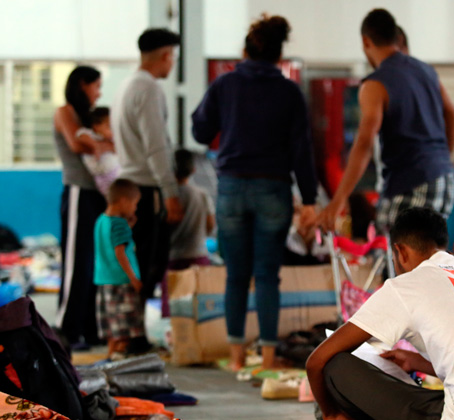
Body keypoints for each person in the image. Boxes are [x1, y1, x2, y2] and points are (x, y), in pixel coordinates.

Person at [307, 207, 454, 420]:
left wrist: (332, 414)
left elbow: (316, 360)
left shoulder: (408, 285)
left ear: (400, 251)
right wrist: (418, 363)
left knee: (335, 366)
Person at [191, 14, 318, 370]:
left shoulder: (225, 84)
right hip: (273, 189)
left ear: (245, 51)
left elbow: (200, 131)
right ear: (279, 55)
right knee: (266, 276)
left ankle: (235, 359)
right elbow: (302, 150)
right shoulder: (290, 92)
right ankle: (267, 358)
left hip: (231, 187)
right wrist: (309, 200)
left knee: (235, 275)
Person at [318, 9, 454, 233]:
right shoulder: (427, 72)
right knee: (423, 252)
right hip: (445, 182)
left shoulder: (375, 84)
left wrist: (338, 200)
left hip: (411, 182)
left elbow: (364, 144)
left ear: (366, 42)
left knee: (393, 249)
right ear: (397, 37)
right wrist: (441, 161)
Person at [112, 28, 183, 305]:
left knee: (134, 263)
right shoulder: (149, 89)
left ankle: (131, 323)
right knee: (148, 264)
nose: (172, 63)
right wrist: (170, 192)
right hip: (146, 189)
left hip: (129, 186)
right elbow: (156, 146)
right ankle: (134, 324)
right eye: (172, 56)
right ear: (165, 55)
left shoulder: (126, 86)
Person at [53, 65, 109, 348]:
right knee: (77, 263)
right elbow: (77, 145)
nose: (99, 93)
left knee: (95, 264)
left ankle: (90, 327)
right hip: (78, 192)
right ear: (83, 85)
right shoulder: (65, 112)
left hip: (98, 194)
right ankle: (67, 329)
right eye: (96, 86)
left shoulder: (91, 117)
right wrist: (105, 144)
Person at [93, 179, 144, 360]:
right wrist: (133, 278)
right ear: (123, 201)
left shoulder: (101, 220)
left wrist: (128, 228)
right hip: (121, 280)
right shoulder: (119, 224)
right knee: (124, 323)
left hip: (103, 279)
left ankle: (111, 353)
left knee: (111, 322)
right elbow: (120, 252)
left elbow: (110, 242)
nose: (135, 209)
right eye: (134, 204)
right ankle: (119, 354)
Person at [167, 150, 215, 271]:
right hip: (197, 255)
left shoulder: (166, 197)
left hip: (171, 257)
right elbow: (210, 224)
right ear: (193, 170)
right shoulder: (202, 194)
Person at [78, 107, 121, 195]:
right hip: (101, 177)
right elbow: (80, 135)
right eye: (109, 126)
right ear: (96, 126)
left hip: (115, 172)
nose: (113, 130)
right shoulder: (90, 135)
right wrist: (95, 145)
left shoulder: (113, 139)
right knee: (112, 197)